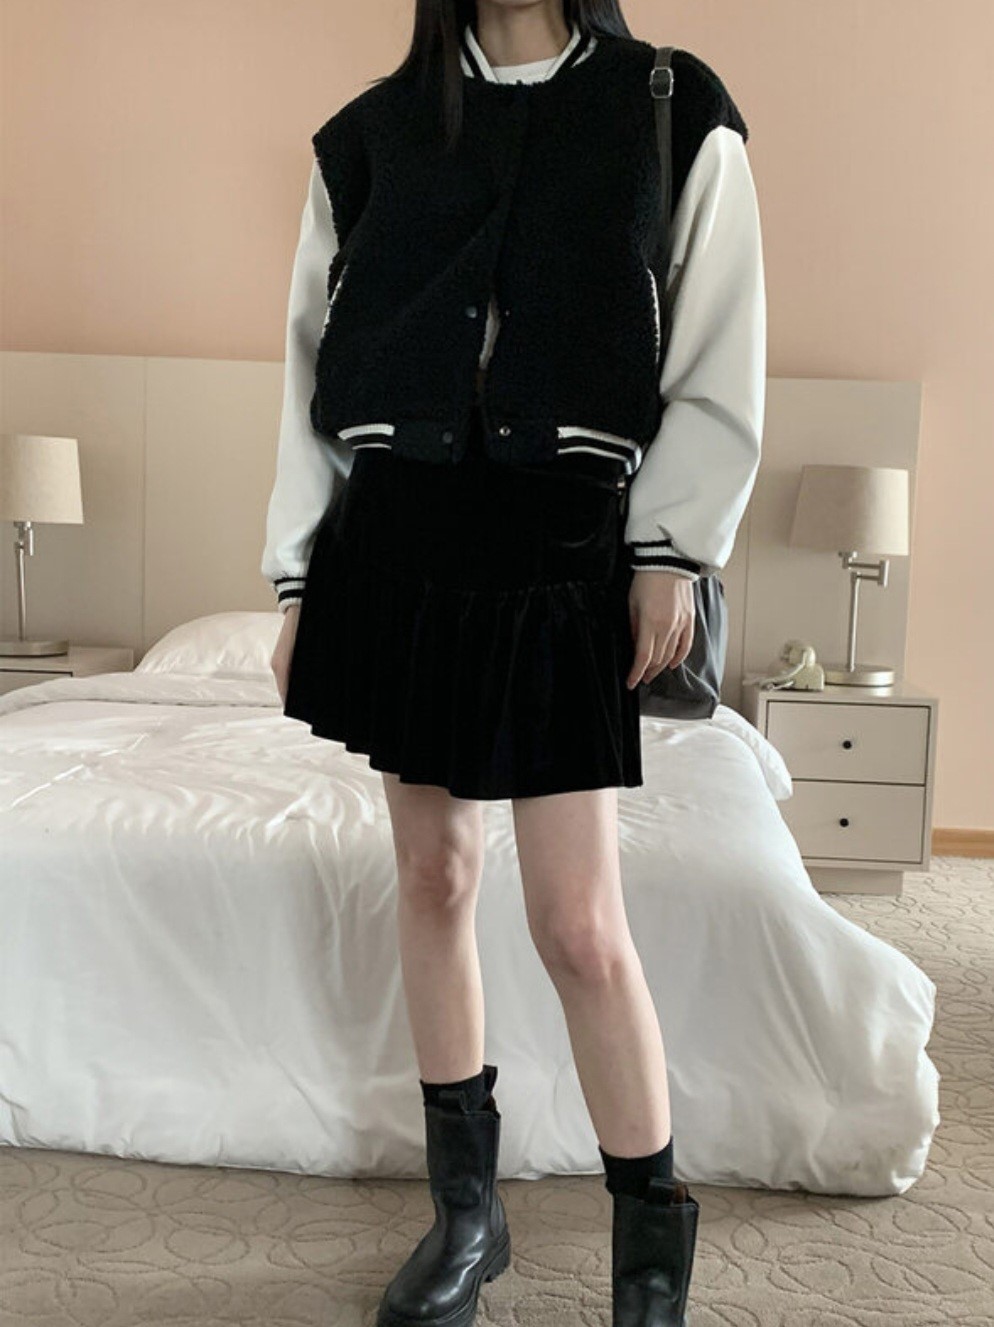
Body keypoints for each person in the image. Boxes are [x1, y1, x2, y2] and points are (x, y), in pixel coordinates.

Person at [261, 2, 766, 1323]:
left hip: (563, 550)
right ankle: (465, 1219)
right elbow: (310, 361)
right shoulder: (369, 136)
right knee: (432, 877)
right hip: (397, 546)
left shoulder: (667, 105)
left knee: (578, 924)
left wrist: (672, 550)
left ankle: (647, 1257)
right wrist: (295, 575)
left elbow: (718, 340)